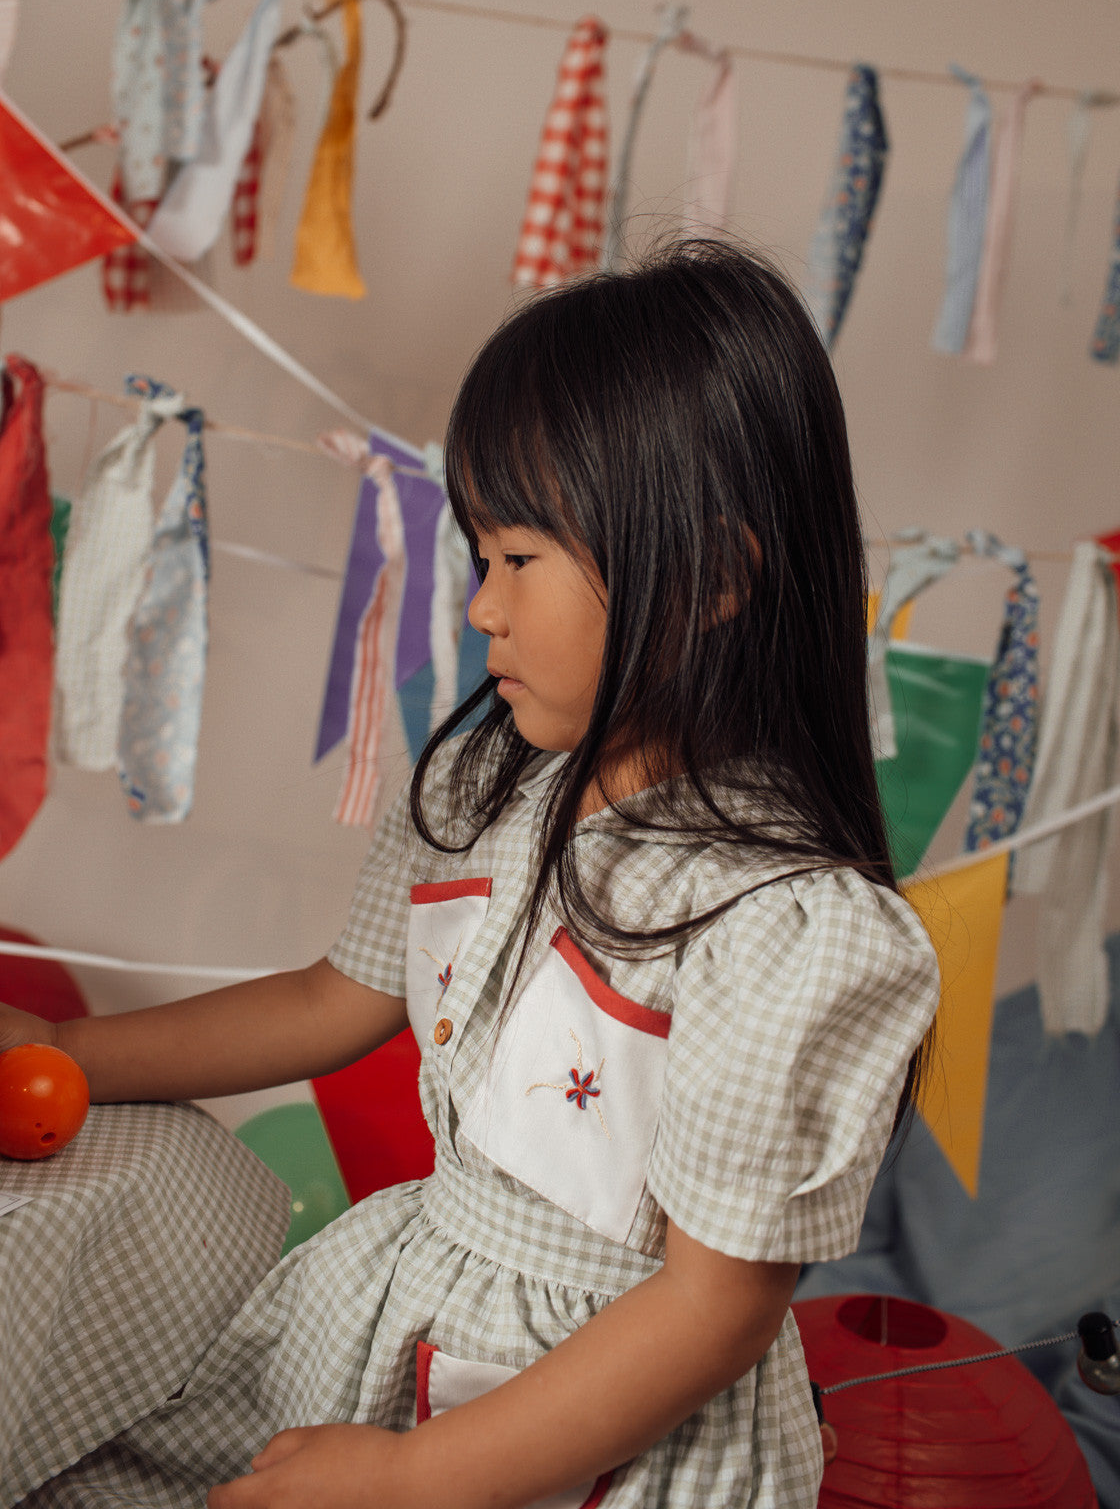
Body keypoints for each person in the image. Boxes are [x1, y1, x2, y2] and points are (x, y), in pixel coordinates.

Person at [6, 241, 939, 1509]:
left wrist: (413, 1479)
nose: (481, 612)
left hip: (598, 1422)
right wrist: (63, 1045)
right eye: (476, 558)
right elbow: (331, 1006)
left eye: (518, 562)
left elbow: (710, 1310)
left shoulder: (788, 929)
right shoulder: (481, 790)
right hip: (402, 1317)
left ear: (712, 579)